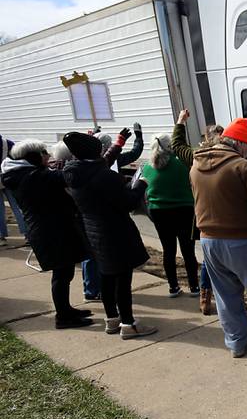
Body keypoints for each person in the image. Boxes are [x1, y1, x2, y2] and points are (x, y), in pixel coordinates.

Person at [190, 117, 247, 358]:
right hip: (243, 239)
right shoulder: (243, 167)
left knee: (225, 296)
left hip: (209, 240)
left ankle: (236, 343)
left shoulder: (196, 165)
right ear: (241, 144)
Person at [62, 130, 157, 339]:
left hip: (93, 231)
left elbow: (102, 164)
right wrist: (141, 183)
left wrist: (118, 145)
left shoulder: (74, 172)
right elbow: (129, 202)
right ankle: (128, 324)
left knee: (106, 276)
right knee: (123, 282)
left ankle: (112, 319)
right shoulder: (104, 176)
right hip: (116, 232)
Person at [172, 109, 247, 315]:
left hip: (207, 225)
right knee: (242, 271)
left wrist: (180, 122)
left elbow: (177, 146)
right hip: (237, 228)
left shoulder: (195, 158)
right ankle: (242, 301)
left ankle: (205, 297)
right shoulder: (242, 161)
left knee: (211, 264)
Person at [0, 140, 93, 328]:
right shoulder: (32, 177)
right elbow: (68, 176)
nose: (48, 156)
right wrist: (78, 157)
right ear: (33, 156)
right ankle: (63, 317)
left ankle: (65, 309)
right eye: (44, 153)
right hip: (49, 232)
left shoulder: (21, 174)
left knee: (64, 273)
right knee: (61, 274)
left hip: (50, 229)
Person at [139, 134, 199, 298]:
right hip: (184, 210)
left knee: (168, 250)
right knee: (188, 251)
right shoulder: (181, 164)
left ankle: (173, 286)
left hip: (159, 212)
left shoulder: (147, 167)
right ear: (169, 146)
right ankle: (194, 286)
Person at [0, 134, 29, 246]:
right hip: (8, 177)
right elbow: (18, 158)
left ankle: (2, 237)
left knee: (0, 210)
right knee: (17, 207)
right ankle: (27, 235)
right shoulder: (8, 143)